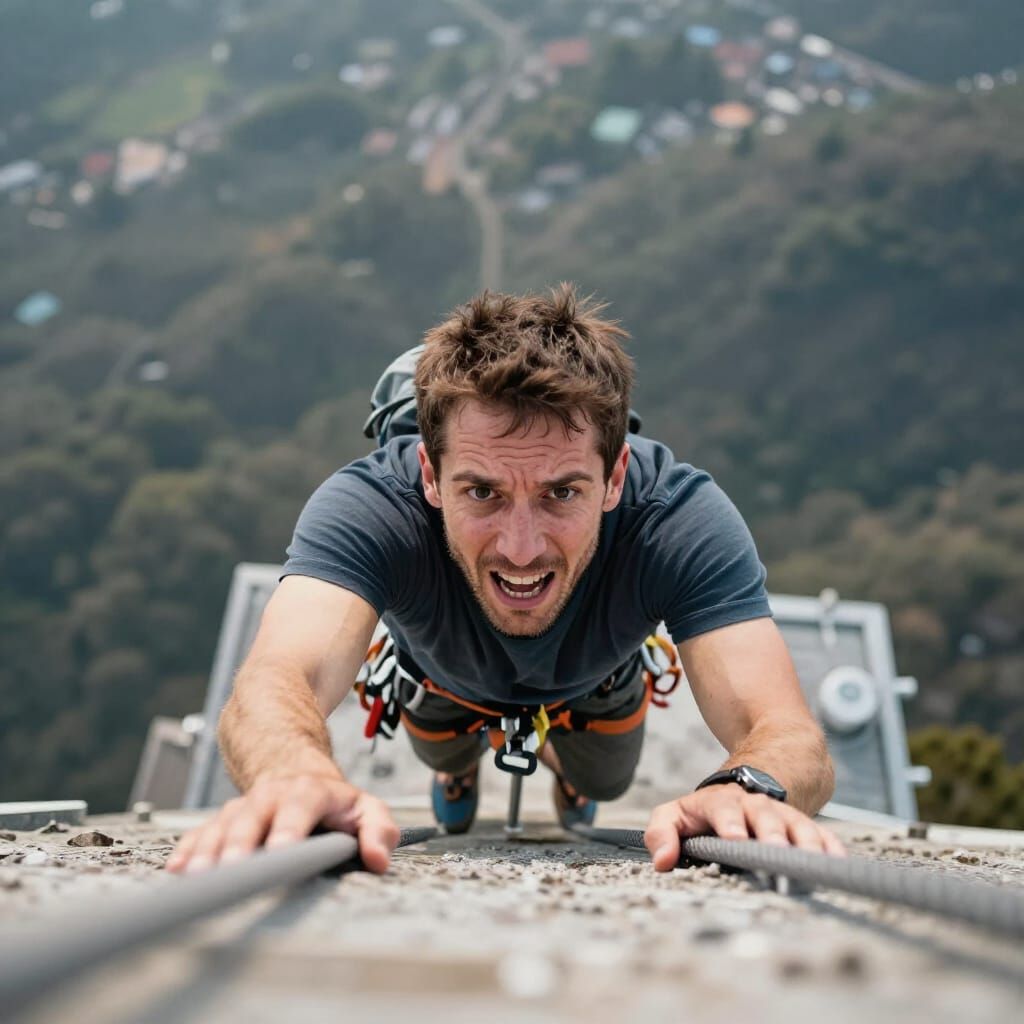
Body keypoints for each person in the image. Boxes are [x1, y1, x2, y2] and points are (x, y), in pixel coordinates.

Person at [168, 285, 843, 877]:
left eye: (562, 493)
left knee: (602, 780)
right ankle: (460, 764)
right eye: (482, 492)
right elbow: (278, 678)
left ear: (614, 478)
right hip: (439, 679)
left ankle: (555, 770)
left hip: (597, 685)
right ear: (429, 475)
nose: (521, 550)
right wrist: (294, 775)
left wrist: (747, 787)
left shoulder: (676, 518)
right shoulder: (372, 504)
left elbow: (783, 729)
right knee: (441, 747)